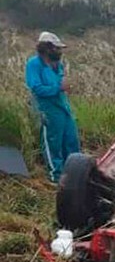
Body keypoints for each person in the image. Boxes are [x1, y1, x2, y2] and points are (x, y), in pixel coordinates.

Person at [25, 32, 80, 183]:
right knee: (52, 142)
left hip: (63, 106)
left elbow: (62, 81)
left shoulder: (58, 64)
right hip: (47, 109)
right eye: (57, 48)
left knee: (71, 139)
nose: (60, 51)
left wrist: (65, 87)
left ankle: (74, 174)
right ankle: (56, 177)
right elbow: (36, 88)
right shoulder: (34, 64)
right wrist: (58, 87)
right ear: (47, 48)